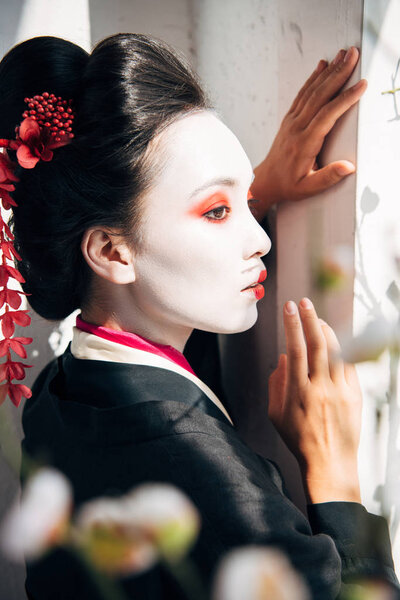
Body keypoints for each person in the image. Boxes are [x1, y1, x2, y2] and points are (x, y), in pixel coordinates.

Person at [0, 33, 397, 599]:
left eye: (245, 201)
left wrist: (244, 193)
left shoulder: (60, 394)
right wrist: (336, 478)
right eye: (216, 211)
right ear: (113, 253)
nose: (258, 239)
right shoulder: (210, 481)